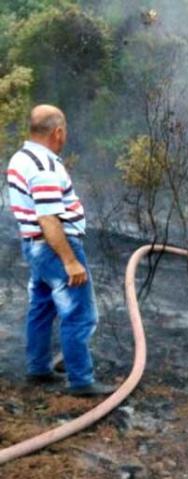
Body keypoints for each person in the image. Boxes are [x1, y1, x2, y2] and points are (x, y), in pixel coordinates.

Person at [6, 105, 113, 396]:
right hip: (55, 248)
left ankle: (38, 368)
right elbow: (49, 219)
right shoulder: (44, 167)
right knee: (79, 313)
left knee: (42, 307)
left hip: (36, 248)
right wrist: (70, 261)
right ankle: (81, 381)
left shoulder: (20, 158)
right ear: (58, 132)